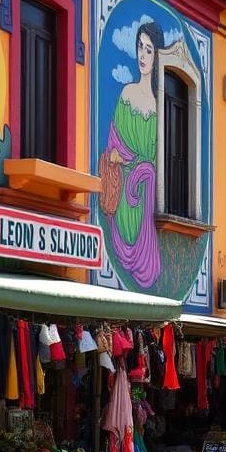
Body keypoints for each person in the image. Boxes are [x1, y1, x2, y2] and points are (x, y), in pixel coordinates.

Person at [99, 20, 165, 288]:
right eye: (140, 47)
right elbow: (114, 139)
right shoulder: (126, 93)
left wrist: (144, 168)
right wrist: (118, 156)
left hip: (146, 193)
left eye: (149, 50)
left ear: (158, 55)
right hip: (123, 186)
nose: (142, 55)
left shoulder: (161, 106)